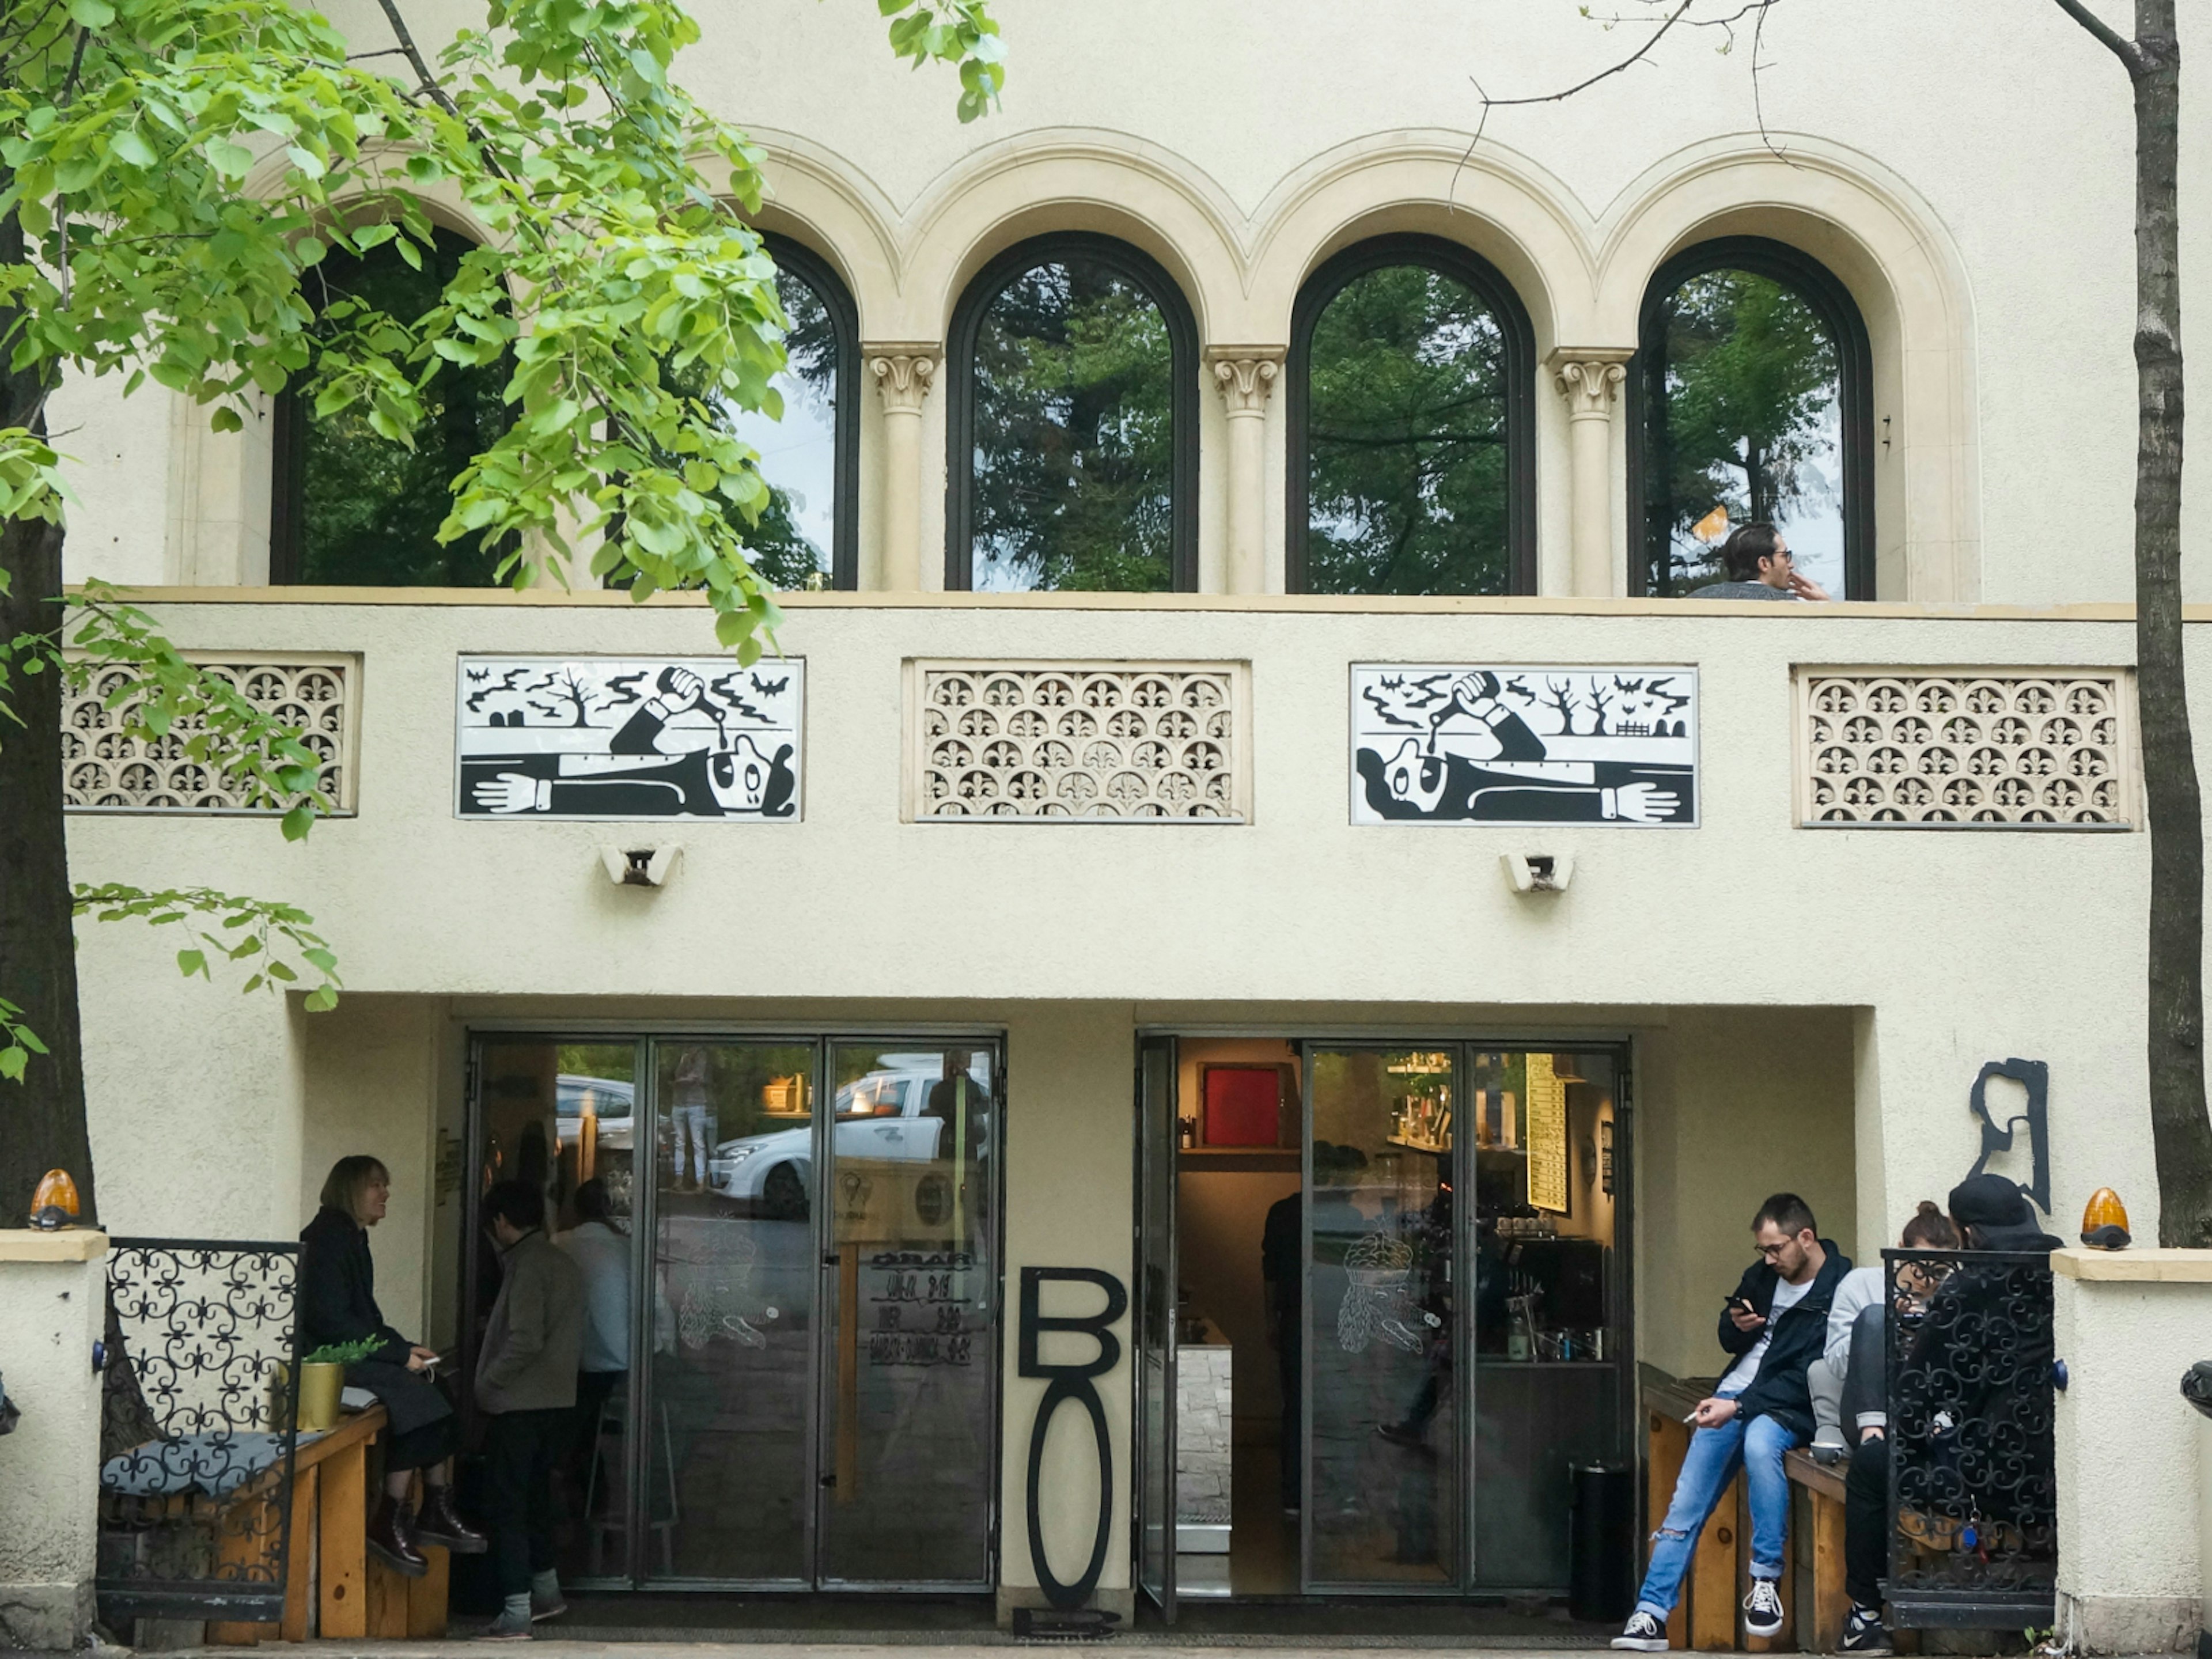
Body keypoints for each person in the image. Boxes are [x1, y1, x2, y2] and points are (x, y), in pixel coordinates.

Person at [1613, 1194, 1853, 1652]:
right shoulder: (1764, 1275)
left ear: (1807, 1237)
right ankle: (1650, 1614)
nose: (1769, 1259)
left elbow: (1808, 1375)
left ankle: (1765, 1583)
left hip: (1786, 1407)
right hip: (1732, 1396)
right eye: (1763, 1250)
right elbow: (1727, 1335)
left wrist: (1739, 1406)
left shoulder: (1838, 1287)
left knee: (1761, 1446)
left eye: (1776, 1248)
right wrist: (1736, 1325)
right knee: (1686, 1501)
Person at [1835, 1177, 2061, 1657]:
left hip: (1990, 1484)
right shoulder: (2059, 1275)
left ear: (1966, 1233)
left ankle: (1865, 1617)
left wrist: (1908, 1447)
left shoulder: (1970, 1286)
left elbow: (1920, 1392)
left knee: (1873, 1468)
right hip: (2061, 1479)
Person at [299, 1155, 486, 1576]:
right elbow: (332, 1323)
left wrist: (404, 1347)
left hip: (347, 1347)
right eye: (375, 1186)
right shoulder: (330, 1239)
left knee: (438, 1384)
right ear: (350, 1189)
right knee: (414, 1396)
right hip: (326, 1358)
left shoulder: (349, 1236)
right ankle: (391, 1514)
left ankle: (434, 1504)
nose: (386, 1195)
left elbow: (364, 1319)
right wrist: (398, 1354)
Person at [476, 1179, 586, 1641]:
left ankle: (516, 1611)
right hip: (559, 1402)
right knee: (539, 1500)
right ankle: (547, 1591)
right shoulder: (562, 1262)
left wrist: (488, 1381)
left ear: (501, 1222)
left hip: (520, 1404)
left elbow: (525, 1338)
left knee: (509, 1506)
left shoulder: (525, 1265)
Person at [556, 1179, 630, 1484]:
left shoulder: (560, 1243)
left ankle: (574, 1466)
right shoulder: (627, 1248)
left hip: (570, 1356)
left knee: (577, 1407)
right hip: (621, 1357)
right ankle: (582, 1466)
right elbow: (656, 1305)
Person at [1688, 522, 1833, 602]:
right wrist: (1826, 608)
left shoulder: (1694, 601)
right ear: (1764, 564)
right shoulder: (1791, 607)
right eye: (1785, 555)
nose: (1791, 564)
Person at [670, 1046, 714, 1193]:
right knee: (680, 1142)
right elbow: (673, 1077)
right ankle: (679, 1179)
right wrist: (683, 1079)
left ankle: (700, 1181)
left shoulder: (701, 1056)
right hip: (679, 1104)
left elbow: (694, 1078)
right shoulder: (680, 1056)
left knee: (697, 1143)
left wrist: (680, 1080)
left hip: (696, 1104)